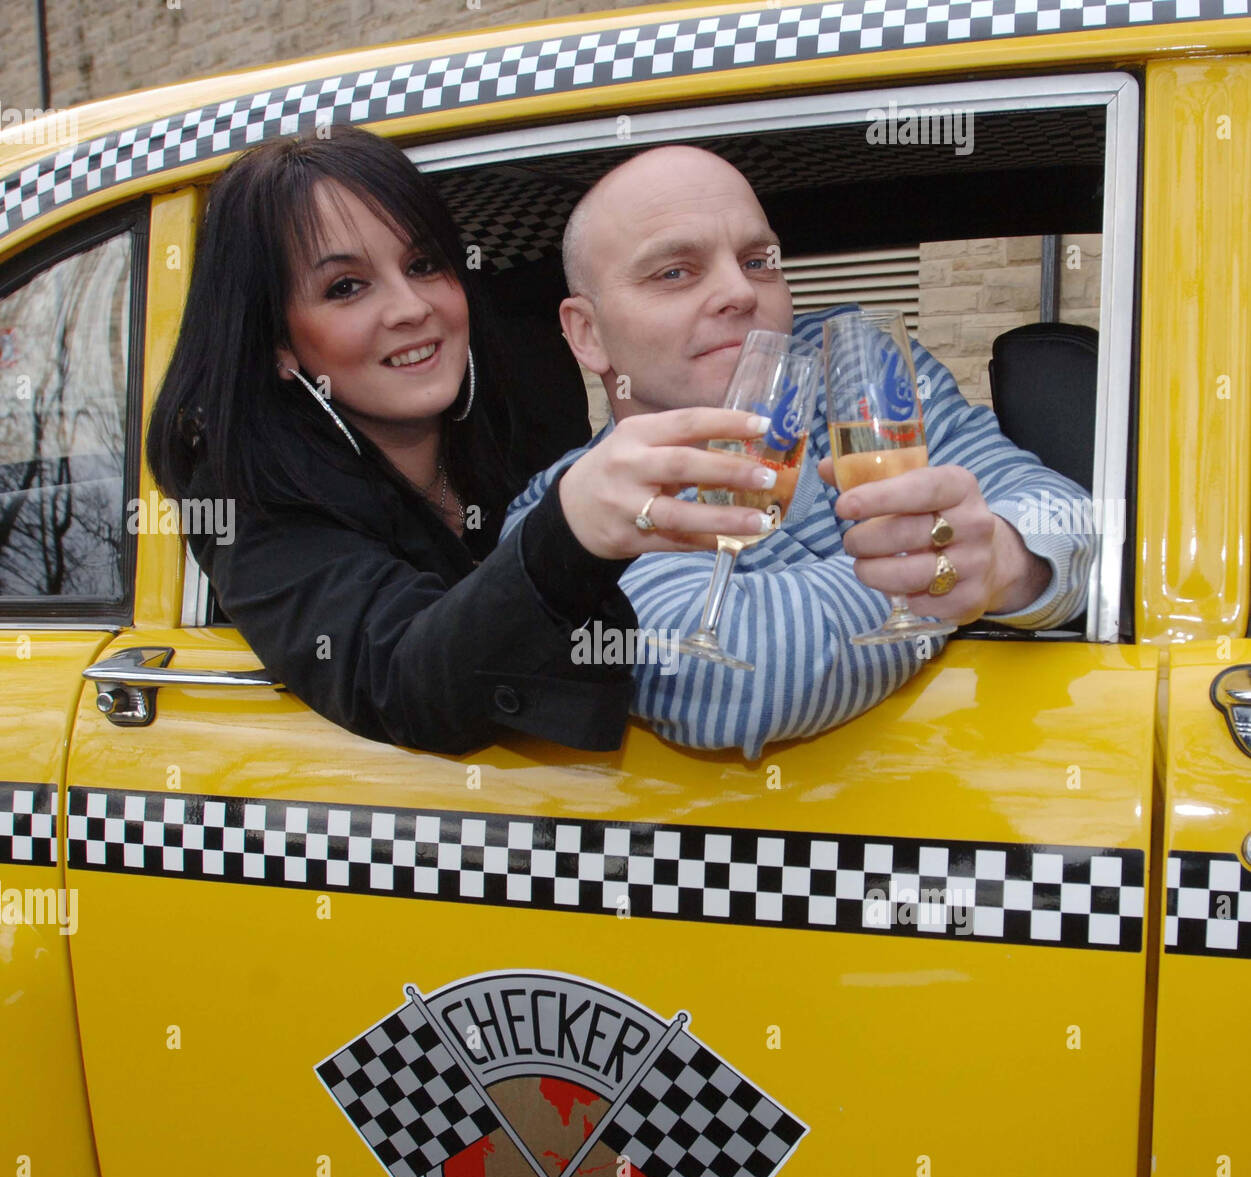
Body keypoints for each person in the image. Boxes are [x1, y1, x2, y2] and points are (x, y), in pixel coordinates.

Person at [146, 127, 785, 755]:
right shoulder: (252, 504)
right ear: (279, 344)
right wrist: (565, 535)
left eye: (424, 265)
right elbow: (401, 682)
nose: (411, 307)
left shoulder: (524, 404)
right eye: (346, 287)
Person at [504, 145, 1096, 757]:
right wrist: (946, 580)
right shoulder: (564, 515)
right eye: (675, 272)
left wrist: (1009, 562)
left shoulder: (858, 360)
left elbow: (1071, 519)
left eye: (759, 261)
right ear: (588, 333)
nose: (739, 291)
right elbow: (737, 680)